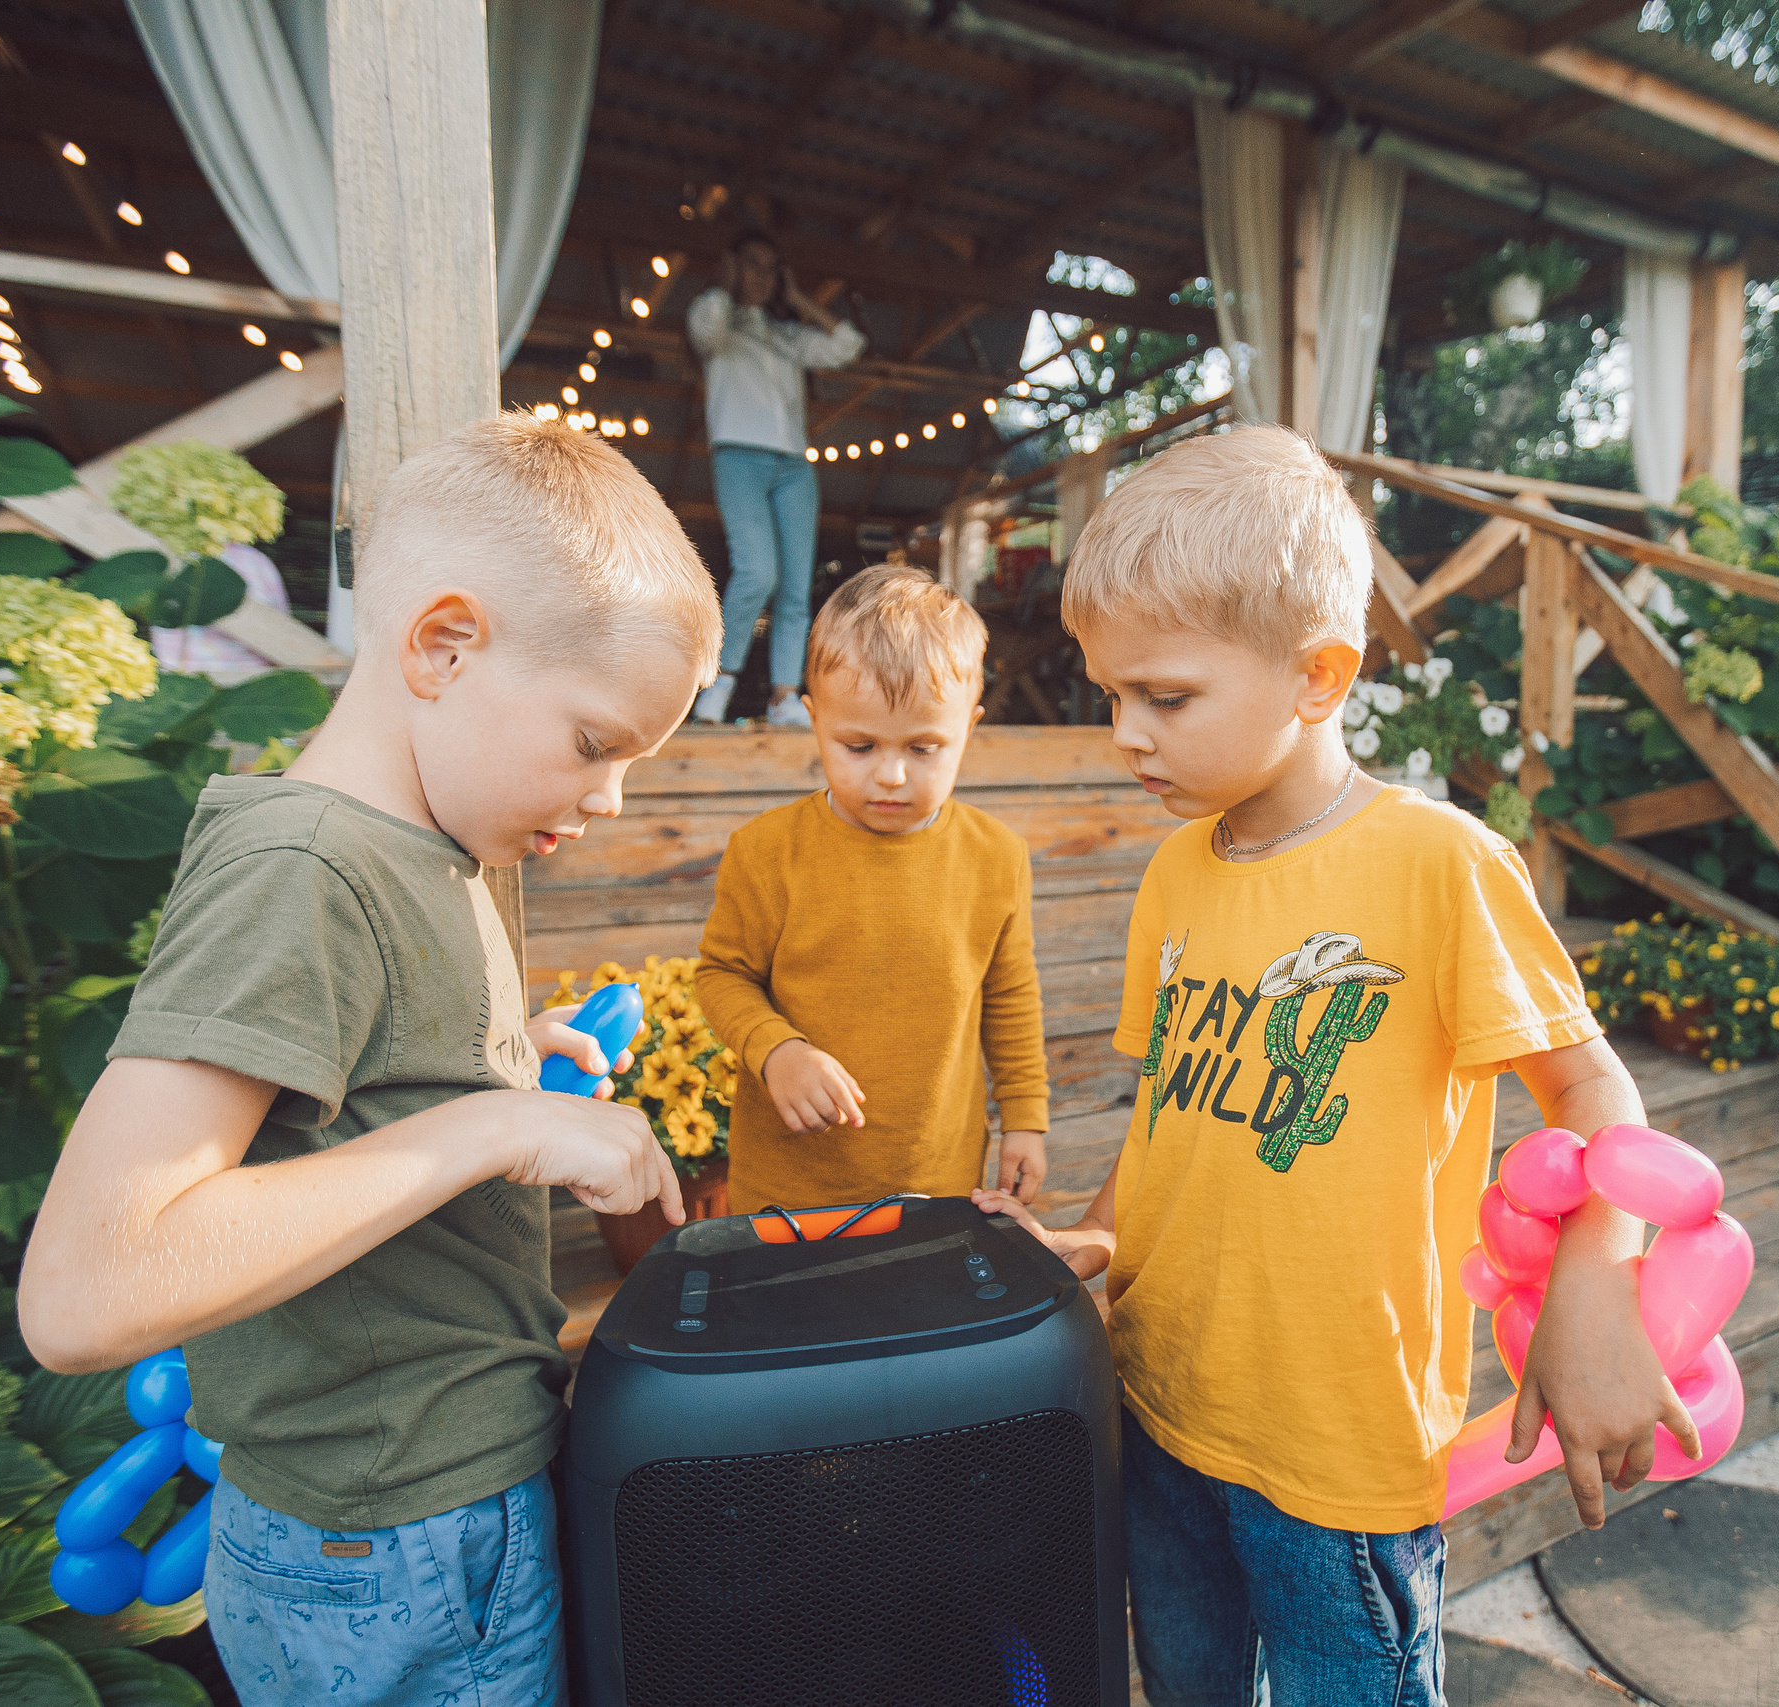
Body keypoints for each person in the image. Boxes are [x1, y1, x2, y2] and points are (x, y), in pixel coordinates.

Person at [975, 426, 1695, 1707]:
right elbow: (1174, 1109)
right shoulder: (1174, 871)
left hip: (1336, 1456)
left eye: (1166, 697)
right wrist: (1095, 1237)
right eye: (1110, 696)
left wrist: (1598, 1284)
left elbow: (1595, 1093)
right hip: (1160, 1405)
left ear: (1317, 676)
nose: (1126, 734)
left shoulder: (1441, 864)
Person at [18, 414, 722, 1704]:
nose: (610, 796)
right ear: (443, 646)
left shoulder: (425, 856)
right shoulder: (303, 870)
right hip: (390, 1542)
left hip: (427, 1514)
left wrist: (498, 1071)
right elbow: (85, 1292)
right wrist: (489, 1128)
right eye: (594, 743)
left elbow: (340, 1105)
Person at [696, 564, 1050, 1214]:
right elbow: (722, 975)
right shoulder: (767, 851)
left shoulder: (996, 857)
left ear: (968, 729)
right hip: (789, 1190)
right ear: (814, 719)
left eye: (924, 748)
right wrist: (777, 1051)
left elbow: (1009, 994)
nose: (890, 774)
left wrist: (1025, 1117)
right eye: (858, 746)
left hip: (937, 1178)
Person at [685, 229, 867, 730]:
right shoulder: (714, 318)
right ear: (733, 265)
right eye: (752, 263)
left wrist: (799, 298)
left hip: (794, 466)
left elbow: (848, 345)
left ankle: (785, 696)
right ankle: (719, 682)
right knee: (756, 572)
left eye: (771, 266)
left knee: (794, 586)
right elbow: (708, 329)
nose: (762, 275)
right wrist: (728, 281)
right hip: (738, 456)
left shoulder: (787, 335)